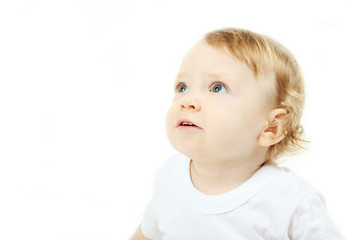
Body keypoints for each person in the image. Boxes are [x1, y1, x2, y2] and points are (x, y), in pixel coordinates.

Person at [130, 28, 343, 240]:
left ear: (271, 128)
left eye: (217, 88)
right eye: (183, 87)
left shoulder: (291, 202)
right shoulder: (170, 176)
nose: (188, 101)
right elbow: (147, 234)